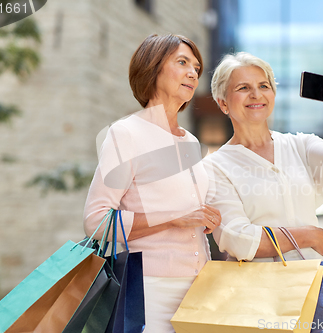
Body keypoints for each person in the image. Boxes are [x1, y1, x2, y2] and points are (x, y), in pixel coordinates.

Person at [83, 34, 221, 333]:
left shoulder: (191, 141)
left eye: (197, 67)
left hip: (199, 286)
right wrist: (176, 219)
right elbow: (97, 220)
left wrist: (204, 218)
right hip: (149, 290)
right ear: (153, 68)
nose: (193, 73)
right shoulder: (126, 133)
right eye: (182, 62)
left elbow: (185, 214)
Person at [204, 52, 323, 262]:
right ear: (223, 104)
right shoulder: (215, 167)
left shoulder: (300, 145)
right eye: (243, 88)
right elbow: (239, 239)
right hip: (261, 289)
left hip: (312, 283)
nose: (256, 94)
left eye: (263, 86)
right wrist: (309, 235)